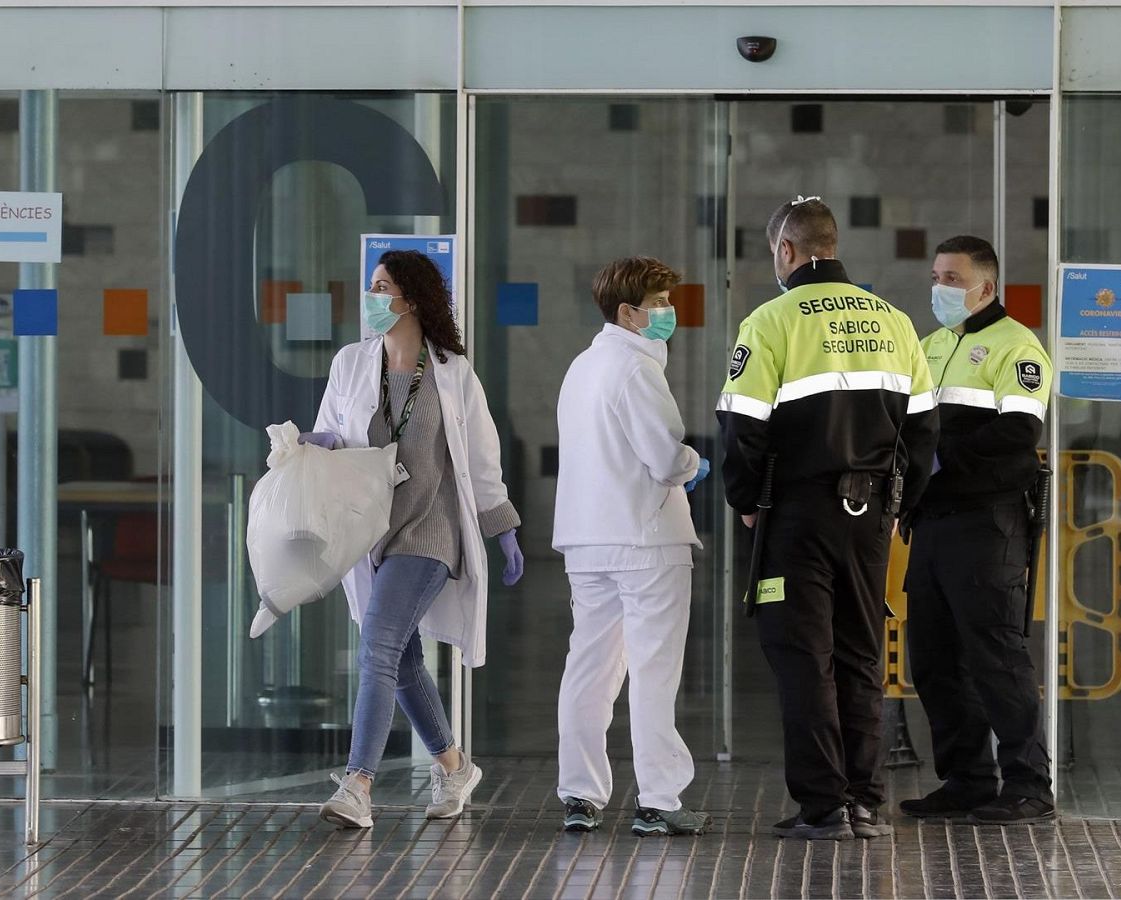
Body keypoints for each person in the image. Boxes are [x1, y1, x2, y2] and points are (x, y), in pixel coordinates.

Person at [717, 197, 938, 840]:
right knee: (861, 654)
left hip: (796, 516)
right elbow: (925, 430)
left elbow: (742, 428)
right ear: (832, 245)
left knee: (802, 656)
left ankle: (822, 807)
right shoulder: (894, 321)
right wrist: (899, 507)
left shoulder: (771, 320)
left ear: (787, 250)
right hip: (871, 518)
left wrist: (745, 502)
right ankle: (863, 801)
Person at [301, 249, 524, 829]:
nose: (373, 298)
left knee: (377, 646)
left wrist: (502, 526)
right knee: (401, 662)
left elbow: (481, 458)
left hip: (429, 529)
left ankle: (358, 785)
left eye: (383, 289)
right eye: (372, 287)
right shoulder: (352, 362)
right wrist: (312, 445)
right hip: (369, 532)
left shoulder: (453, 371)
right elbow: (331, 432)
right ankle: (454, 766)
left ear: (414, 300)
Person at [551, 257, 712, 837]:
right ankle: (659, 800)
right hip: (645, 539)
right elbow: (665, 458)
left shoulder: (582, 366)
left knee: (589, 666)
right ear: (627, 312)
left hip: (586, 539)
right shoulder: (636, 368)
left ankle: (580, 794)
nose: (668, 313)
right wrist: (694, 464)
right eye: (659, 304)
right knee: (654, 670)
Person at [899, 235, 1056, 825]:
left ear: (985, 287)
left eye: (952, 279)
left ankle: (1029, 785)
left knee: (995, 655)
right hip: (933, 521)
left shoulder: (1018, 346)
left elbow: (1019, 431)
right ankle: (966, 781)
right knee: (935, 659)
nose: (940, 288)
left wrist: (939, 460)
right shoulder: (931, 344)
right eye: (936, 277)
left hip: (987, 522)